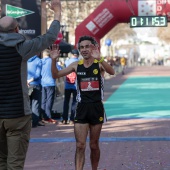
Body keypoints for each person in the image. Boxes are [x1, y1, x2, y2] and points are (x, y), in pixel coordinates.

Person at [0, 0, 61, 169]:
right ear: (17, 30)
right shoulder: (22, 47)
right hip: (18, 114)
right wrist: (57, 13)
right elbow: (49, 37)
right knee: (15, 163)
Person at [50, 36, 115, 170]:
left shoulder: (99, 63)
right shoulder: (76, 65)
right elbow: (56, 75)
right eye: (82, 47)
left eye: (87, 46)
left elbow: (112, 71)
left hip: (96, 107)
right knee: (80, 145)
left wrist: (100, 58)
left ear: (93, 47)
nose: (84, 49)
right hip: (81, 107)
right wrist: (54, 60)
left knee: (94, 145)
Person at [41, 49, 59, 124]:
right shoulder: (52, 61)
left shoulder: (41, 61)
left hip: (42, 83)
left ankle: (42, 116)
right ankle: (48, 117)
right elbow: (58, 69)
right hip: (50, 83)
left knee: (43, 100)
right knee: (49, 100)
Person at [62, 49, 79, 125]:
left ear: (72, 54)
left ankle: (64, 119)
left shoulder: (67, 61)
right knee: (75, 102)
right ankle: (72, 119)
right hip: (76, 85)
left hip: (67, 85)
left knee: (66, 102)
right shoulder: (80, 62)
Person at [27, 54, 44, 128]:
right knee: (35, 104)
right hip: (36, 85)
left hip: (26, 84)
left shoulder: (25, 59)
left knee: (27, 104)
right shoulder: (38, 60)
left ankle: (27, 122)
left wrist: (27, 81)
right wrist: (31, 80)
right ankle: (34, 122)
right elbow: (38, 74)